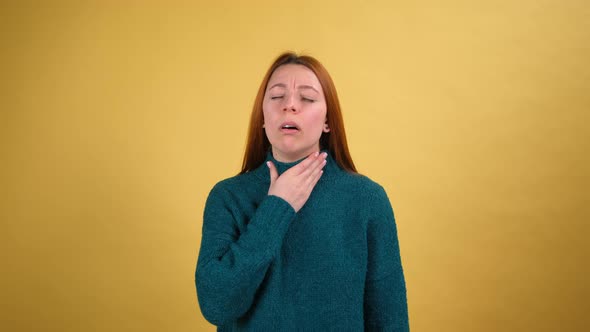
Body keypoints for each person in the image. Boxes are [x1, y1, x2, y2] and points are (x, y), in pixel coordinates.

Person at [195, 52, 409, 331]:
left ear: (327, 122)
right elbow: (216, 304)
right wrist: (277, 206)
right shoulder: (228, 197)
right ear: (262, 116)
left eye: (306, 98)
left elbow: (389, 320)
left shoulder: (367, 199)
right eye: (276, 97)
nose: (290, 106)